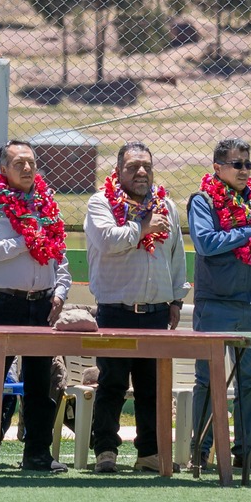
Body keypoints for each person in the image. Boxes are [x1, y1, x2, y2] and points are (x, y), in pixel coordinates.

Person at [0, 138, 73, 472]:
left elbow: (59, 255)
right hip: (3, 304)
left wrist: (60, 292)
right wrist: (24, 240)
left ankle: (38, 454)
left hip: (42, 305)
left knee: (41, 383)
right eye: (19, 163)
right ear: (3, 168)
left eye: (31, 162)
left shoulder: (47, 204)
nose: (27, 168)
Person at [83, 142, 186, 474]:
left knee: (151, 387)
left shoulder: (165, 206)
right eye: (132, 167)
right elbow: (108, 241)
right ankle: (105, 451)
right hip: (116, 310)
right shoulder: (101, 203)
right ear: (118, 170)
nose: (141, 172)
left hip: (156, 312)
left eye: (147, 166)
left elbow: (177, 256)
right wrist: (142, 228)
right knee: (112, 383)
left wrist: (176, 299)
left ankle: (150, 453)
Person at [186, 138, 251, 475]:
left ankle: (246, 452)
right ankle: (200, 452)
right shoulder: (202, 201)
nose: (244, 170)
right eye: (237, 164)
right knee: (207, 381)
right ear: (218, 167)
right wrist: (246, 233)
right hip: (215, 305)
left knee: (250, 382)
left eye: (248, 164)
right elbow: (205, 243)